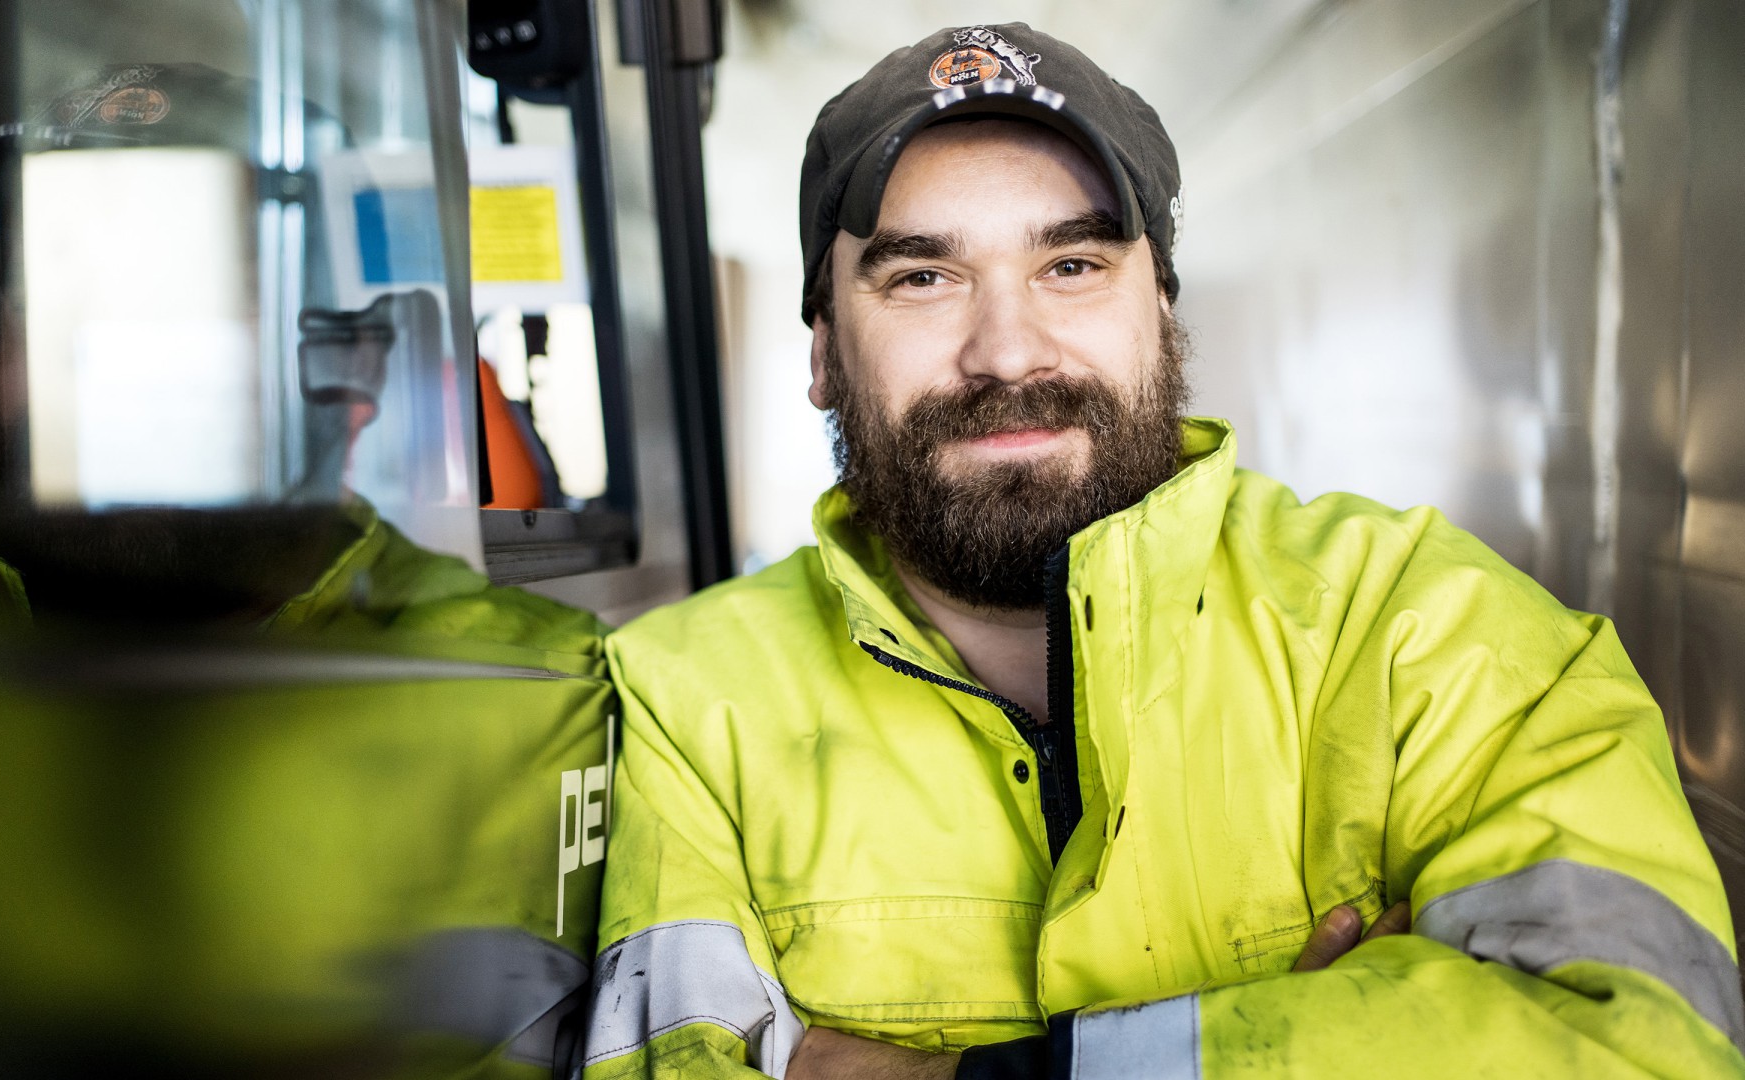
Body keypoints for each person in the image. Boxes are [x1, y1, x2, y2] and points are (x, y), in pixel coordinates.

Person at [583, 23, 1743, 1080]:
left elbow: (1640, 1043)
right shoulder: (684, 708)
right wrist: (1307, 1036)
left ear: (1163, 316)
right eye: (924, 276)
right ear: (827, 353)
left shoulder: (1421, 627)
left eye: (1072, 266)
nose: (1007, 350)